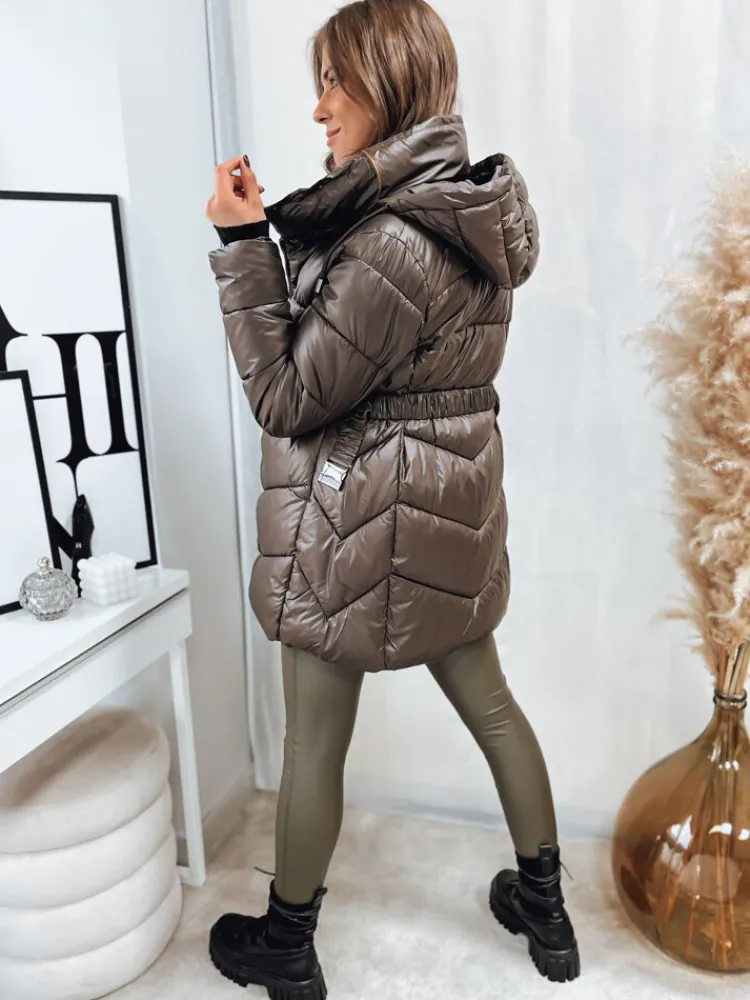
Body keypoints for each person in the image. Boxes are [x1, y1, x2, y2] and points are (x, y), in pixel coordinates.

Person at [205, 1, 579, 995]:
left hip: (355, 522)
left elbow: (289, 398)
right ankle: (547, 913)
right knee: (492, 705)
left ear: (394, 82)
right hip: (450, 509)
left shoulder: (392, 241)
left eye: (337, 82)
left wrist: (244, 248)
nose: (319, 107)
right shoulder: (463, 212)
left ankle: (286, 944)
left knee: (312, 742)